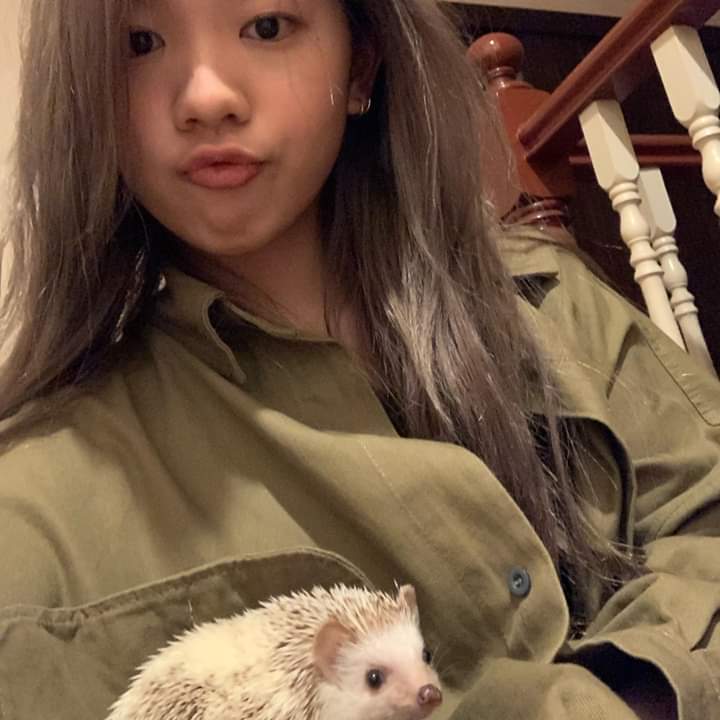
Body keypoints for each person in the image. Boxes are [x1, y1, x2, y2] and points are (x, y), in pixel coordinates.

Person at [0, 1, 718, 718]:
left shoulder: (550, 302)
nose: (206, 97)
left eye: (267, 27)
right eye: (140, 42)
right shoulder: (41, 502)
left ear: (361, 64)